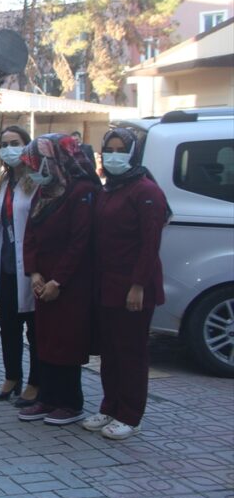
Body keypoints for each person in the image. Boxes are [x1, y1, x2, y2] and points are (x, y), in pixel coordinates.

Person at [82, 127, 168, 440]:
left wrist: (138, 285)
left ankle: (131, 414)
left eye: (121, 149)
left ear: (133, 153)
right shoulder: (110, 188)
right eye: (110, 149)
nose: (115, 154)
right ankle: (110, 406)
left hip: (133, 288)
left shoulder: (146, 191)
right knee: (110, 352)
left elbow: (150, 244)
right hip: (106, 284)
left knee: (131, 353)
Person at [17, 133, 99, 426]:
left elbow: (80, 241)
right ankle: (47, 398)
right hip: (44, 280)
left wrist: (57, 281)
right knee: (45, 340)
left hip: (70, 283)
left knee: (68, 341)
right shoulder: (46, 190)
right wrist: (35, 273)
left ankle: (70, 403)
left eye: (37, 163)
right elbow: (30, 235)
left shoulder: (82, 190)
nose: (33, 170)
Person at [0, 126, 39, 405]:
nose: (9, 149)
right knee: (9, 325)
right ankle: (12, 376)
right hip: (7, 264)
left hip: (31, 267)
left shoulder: (38, 182)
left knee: (35, 329)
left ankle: (35, 382)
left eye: (15, 143)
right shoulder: (6, 183)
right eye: (5, 144)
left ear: (27, 146)